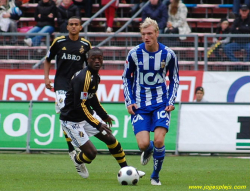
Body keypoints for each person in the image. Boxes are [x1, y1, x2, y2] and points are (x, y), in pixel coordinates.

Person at [60, 47, 145, 178]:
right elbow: (79, 106)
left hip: (85, 115)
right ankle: (77, 160)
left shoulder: (95, 76)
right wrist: (97, 124)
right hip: (71, 120)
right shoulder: (84, 78)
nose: (97, 61)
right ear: (87, 60)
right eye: (93, 58)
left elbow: (92, 98)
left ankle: (127, 169)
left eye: (99, 58)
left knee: (111, 139)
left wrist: (104, 116)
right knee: (91, 154)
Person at [122, 17, 179, 186]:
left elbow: (174, 79)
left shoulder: (168, 54)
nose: (146, 37)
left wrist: (171, 100)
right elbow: (126, 78)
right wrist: (129, 101)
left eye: (149, 33)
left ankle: (155, 176)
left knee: (160, 141)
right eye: (143, 34)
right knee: (143, 144)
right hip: (140, 105)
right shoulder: (134, 53)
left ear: (157, 33)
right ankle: (148, 149)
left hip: (161, 103)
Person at [44, 16, 91, 178]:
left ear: (80, 27)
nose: (73, 27)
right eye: (70, 24)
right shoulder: (58, 42)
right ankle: (72, 150)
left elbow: (89, 67)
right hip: (61, 85)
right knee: (65, 113)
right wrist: (46, 78)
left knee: (73, 117)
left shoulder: (85, 45)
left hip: (77, 87)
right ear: (68, 26)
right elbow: (48, 59)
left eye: (76, 24)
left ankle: (74, 151)